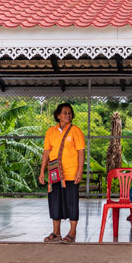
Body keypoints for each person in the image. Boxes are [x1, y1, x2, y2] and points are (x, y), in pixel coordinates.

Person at [38, 103, 85, 243]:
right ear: (58, 115)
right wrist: (42, 172)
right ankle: (56, 232)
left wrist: (80, 171)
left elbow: (81, 152)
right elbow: (46, 152)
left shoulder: (76, 131)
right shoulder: (50, 132)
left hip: (71, 173)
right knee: (55, 201)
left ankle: (72, 232)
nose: (68, 115)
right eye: (64, 113)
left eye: (70, 113)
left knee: (72, 202)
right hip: (54, 173)